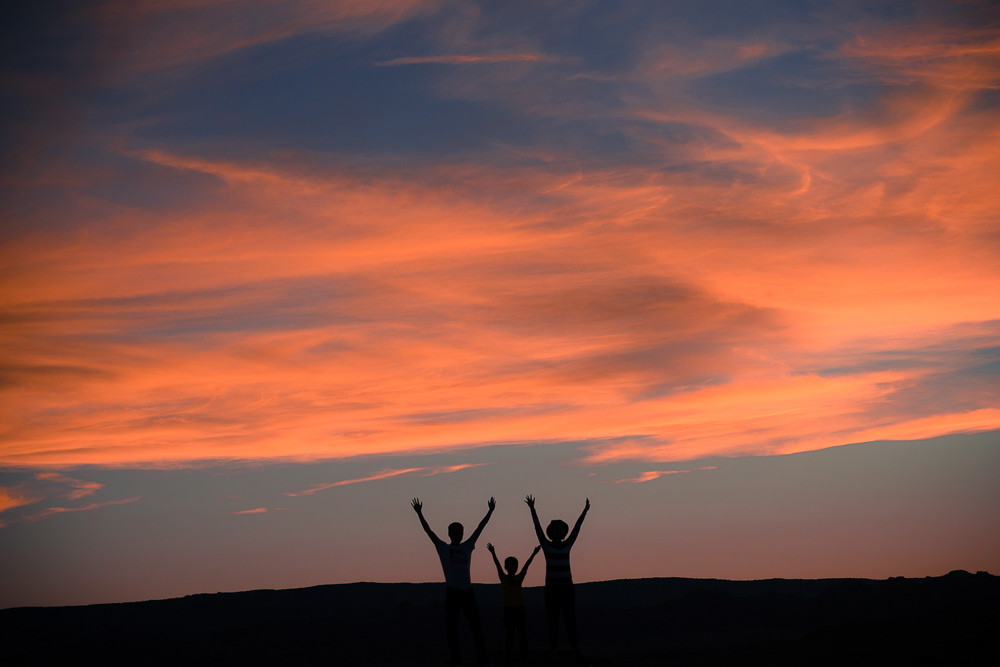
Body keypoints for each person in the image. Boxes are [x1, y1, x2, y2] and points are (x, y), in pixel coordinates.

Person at [412, 496, 495, 666]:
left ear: (462, 534)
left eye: (460, 532)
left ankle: (483, 659)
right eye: (455, 532)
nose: (458, 535)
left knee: (476, 627)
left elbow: (480, 528)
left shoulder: (467, 546)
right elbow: (429, 531)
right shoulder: (443, 548)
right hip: (453, 593)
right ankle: (456, 661)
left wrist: (490, 511)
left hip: (468, 592)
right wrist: (419, 513)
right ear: (449, 534)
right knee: (452, 629)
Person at [525, 494, 589, 655]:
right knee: (553, 619)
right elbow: (537, 528)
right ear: (551, 532)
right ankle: (554, 648)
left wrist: (584, 512)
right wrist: (532, 510)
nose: (557, 531)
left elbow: (577, 528)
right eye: (555, 529)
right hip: (552, 588)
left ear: (563, 532)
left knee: (569, 618)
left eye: (560, 529)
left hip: (566, 587)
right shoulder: (546, 545)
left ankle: (574, 647)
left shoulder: (567, 544)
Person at [487, 542, 541, 666]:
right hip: (509, 609)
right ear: (506, 567)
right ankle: (509, 656)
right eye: (510, 566)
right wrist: (493, 553)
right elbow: (497, 565)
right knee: (510, 634)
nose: (513, 568)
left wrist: (533, 554)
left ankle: (523, 655)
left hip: (519, 608)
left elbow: (527, 565)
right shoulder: (503, 577)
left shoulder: (519, 577)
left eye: (514, 565)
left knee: (522, 633)